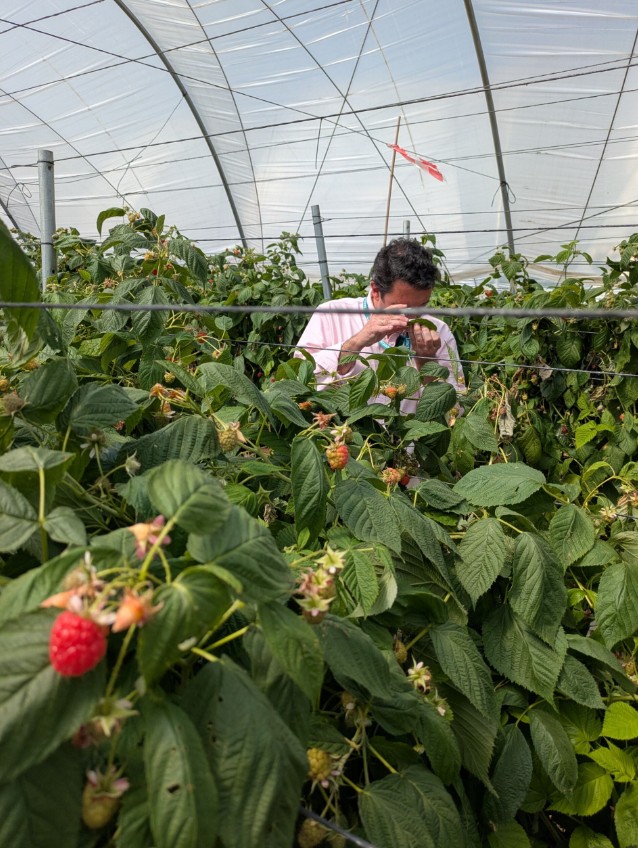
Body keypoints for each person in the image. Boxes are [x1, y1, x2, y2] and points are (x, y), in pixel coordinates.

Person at [296, 238, 463, 414]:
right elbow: (301, 383)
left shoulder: (439, 331)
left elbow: (455, 410)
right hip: (346, 438)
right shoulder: (332, 315)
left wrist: (427, 362)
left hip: (408, 441)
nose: (412, 317)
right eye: (403, 309)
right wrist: (356, 343)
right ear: (376, 291)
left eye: (420, 307)